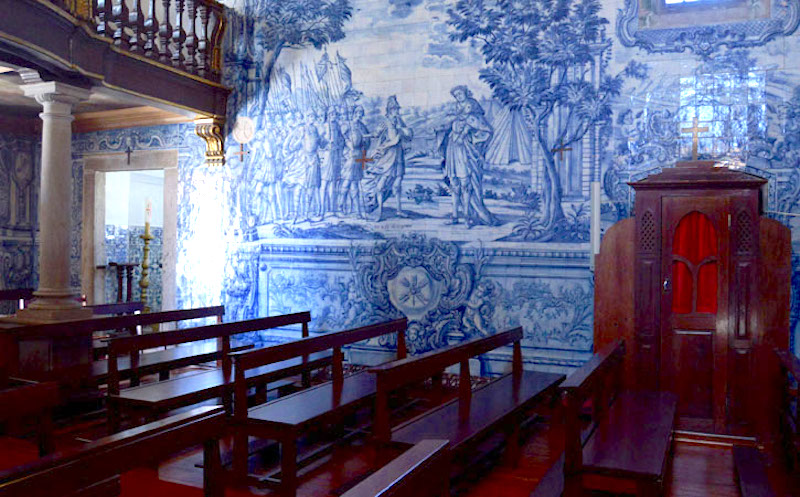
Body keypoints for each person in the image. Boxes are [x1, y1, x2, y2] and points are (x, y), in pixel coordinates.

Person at [441, 86, 498, 227]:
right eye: (456, 96)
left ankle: (467, 217)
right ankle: (455, 216)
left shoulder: (473, 119)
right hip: (453, 151)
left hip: (466, 153)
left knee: (466, 184)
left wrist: (469, 136)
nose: (458, 98)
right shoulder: (456, 119)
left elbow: (487, 131)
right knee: (454, 183)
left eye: (460, 94)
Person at [362, 95, 413, 221]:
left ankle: (399, 210)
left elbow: (409, 135)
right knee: (381, 186)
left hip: (399, 156)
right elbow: (376, 134)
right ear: (390, 110)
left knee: (397, 185)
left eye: (398, 109)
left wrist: (402, 128)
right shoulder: (385, 122)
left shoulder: (400, 121)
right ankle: (379, 211)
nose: (397, 111)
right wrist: (365, 135)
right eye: (395, 109)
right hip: (388, 157)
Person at [339, 105, 370, 218]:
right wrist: (347, 146)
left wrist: (366, 143)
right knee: (347, 182)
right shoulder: (347, 125)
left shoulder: (362, 126)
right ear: (353, 114)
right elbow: (341, 138)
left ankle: (357, 211)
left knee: (355, 184)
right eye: (357, 113)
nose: (358, 116)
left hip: (358, 156)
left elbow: (367, 141)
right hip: (350, 156)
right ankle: (341, 205)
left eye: (360, 114)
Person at [320, 106, 345, 219]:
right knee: (324, 183)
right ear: (329, 115)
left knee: (333, 184)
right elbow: (319, 141)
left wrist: (339, 144)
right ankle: (322, 210)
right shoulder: (324, 126)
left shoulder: (338, 126)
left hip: (335, 156)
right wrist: (326, 143)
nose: (334, 116)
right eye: (332, 114)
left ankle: (332, 209)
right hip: (327, 156)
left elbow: (342, 140)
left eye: (335, 114)